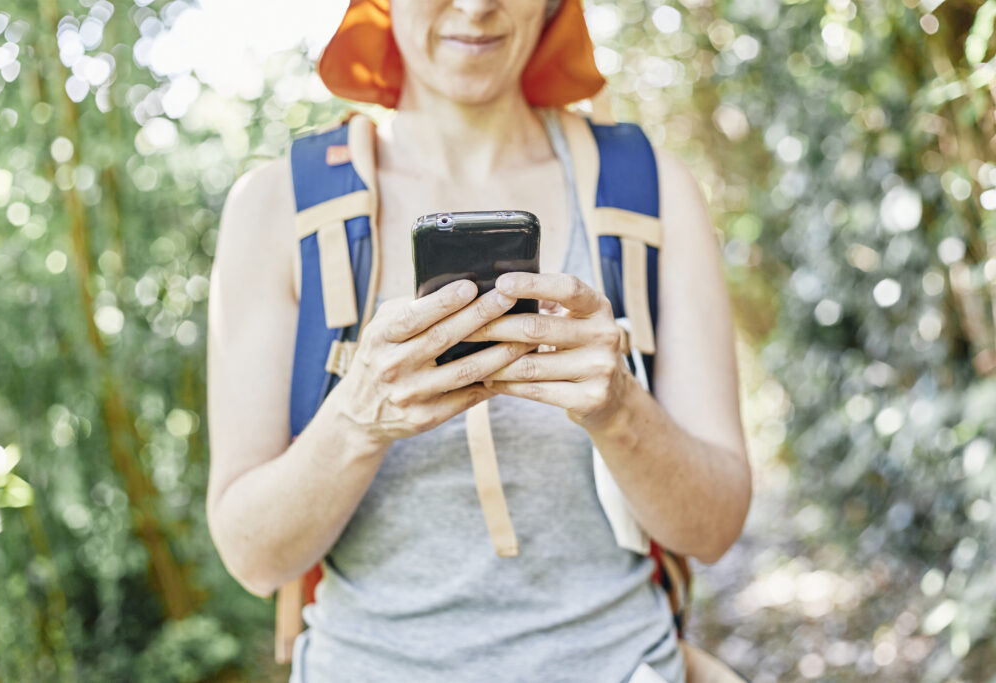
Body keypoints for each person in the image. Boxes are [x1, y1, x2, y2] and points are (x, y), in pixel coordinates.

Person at [205, 0, 751, 680]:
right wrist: (358, 418)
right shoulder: (276, 206)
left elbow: (716, 527)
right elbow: (253, 557)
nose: (475, 6)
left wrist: (620, 410)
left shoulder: (651, 190)